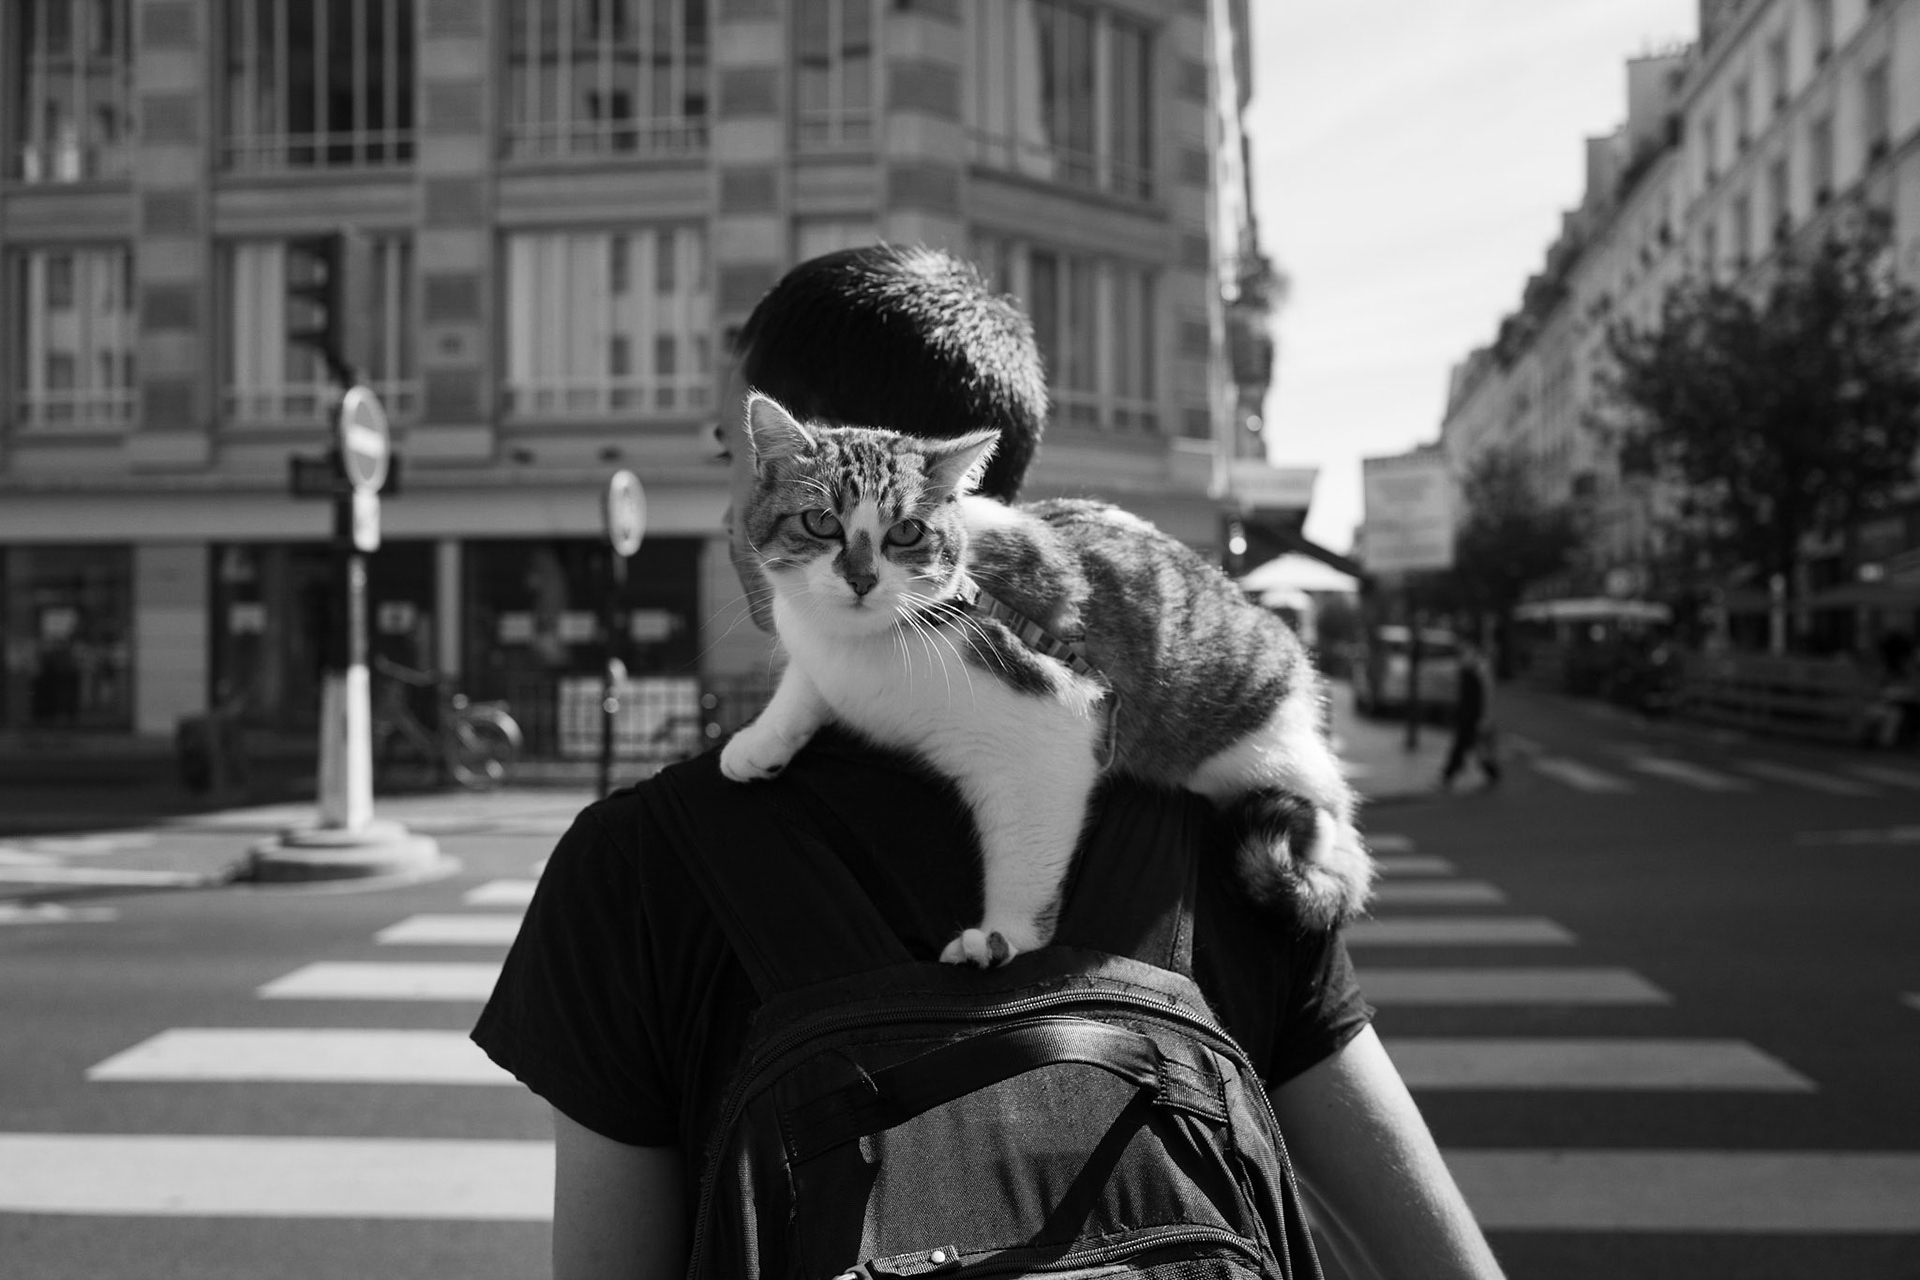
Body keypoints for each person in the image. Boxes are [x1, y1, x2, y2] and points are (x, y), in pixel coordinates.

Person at [472, 245, 1506, 1280]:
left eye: (731, 453)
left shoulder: (638, 863)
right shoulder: (1223, 834)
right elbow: (1439, 1256)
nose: (729, 503)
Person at [1441, 638, 1501, 792]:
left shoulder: (1482, 667)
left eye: (1466, 648)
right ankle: (1489, 771)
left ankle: (1450, 773)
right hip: (1465, 713)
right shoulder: (1465, 664)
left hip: (1475, 714)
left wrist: (1486, 716)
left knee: (1466, 744)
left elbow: (1488, 694)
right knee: (1469, 745)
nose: (1463, 652)